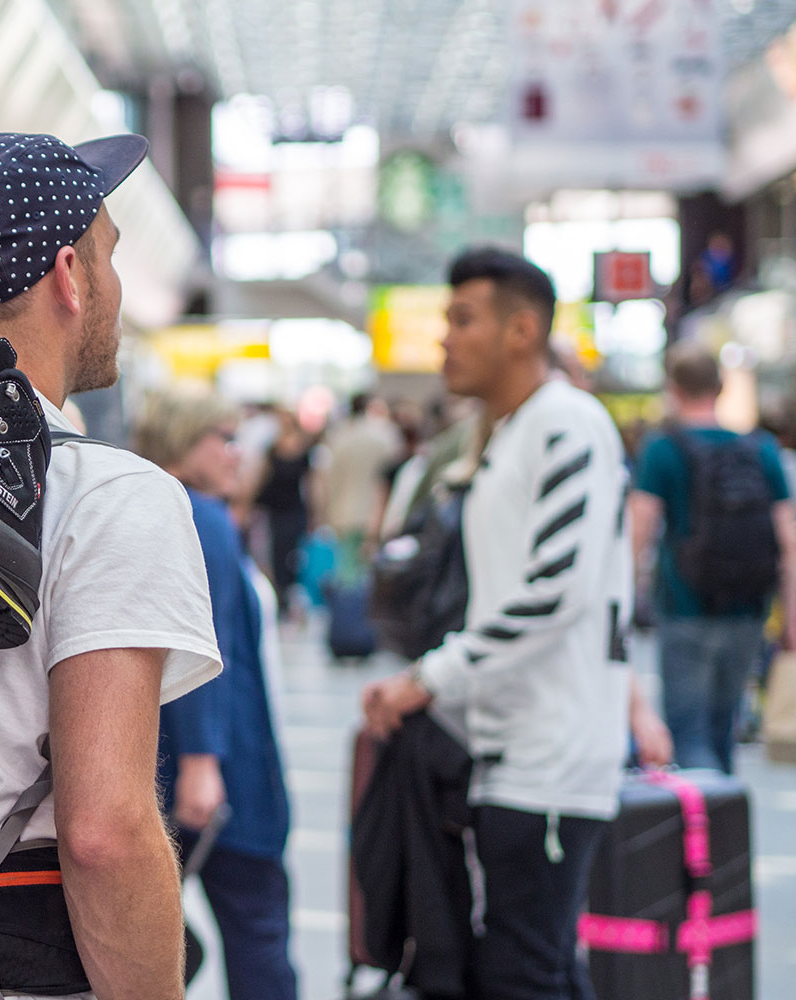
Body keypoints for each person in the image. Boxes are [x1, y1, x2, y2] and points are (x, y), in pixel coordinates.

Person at [0, 133, 224, 1000]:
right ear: (69, 276)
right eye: (110, 257)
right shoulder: (107, 494)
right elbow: (105, 833)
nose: (112, 288)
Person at [362, 247, 633, 1000]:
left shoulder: (568, 425)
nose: (445, 339)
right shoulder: (510, 434)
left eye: (462, 319)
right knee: (530, 966)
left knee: (524, 972)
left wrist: (428, 679)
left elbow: (555, 593)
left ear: (522, 332)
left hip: (547, 759)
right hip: (505, 752)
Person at [132, 388, 296, 1000]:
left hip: (192, 755)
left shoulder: (158, 506)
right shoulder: (201, 516)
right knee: (259, 932)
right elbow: (207, 645)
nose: (237, 454)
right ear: (183, 440)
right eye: (223, 438)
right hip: (225, 764)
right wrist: (204, 761)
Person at [629, 345, 796, 774]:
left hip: (683, 607)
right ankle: (725, 828)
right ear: (721, 388)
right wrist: (793, 624)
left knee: (688, 736)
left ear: (673, 388)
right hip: (747, 610)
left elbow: (638, 533)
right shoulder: (760, 449)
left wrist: (622, 607)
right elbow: (788, 543)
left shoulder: (662, 449)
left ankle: (703, 832)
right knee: (724, 731)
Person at [321, 393, 402, 577]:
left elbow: (331, 480)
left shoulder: (339, 438)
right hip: (377, 513)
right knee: (371, 572)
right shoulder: (385, 435)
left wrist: (328, 512)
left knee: (347, 574)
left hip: (345, 512)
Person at [250, 408, 313, 598]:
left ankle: (288, 593)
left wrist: (315, 514)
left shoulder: (303, 452)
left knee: (292, 555)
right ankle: (278, 592)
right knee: (272, 554)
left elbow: (311, 486)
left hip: (292, 509)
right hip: (273, 509)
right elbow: (260, 477)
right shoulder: (272, 449)